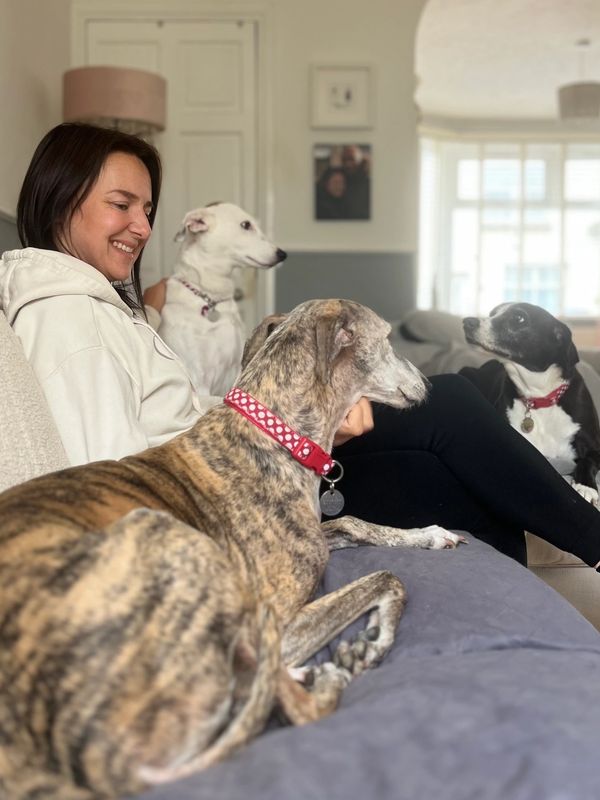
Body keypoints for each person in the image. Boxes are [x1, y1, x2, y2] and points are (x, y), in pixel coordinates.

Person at [2, 122, 600, 574]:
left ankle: (531, 604)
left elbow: (174, 419)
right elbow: (107, 487)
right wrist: (287, 432)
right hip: (236, 498)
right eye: (121, 205)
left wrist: (302, 417)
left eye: (147, 209)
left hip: (248, 467)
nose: (142, 226)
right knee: (449, 403)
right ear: (62, 196)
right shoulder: (66, 316)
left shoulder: (100, 306)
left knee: (452, 451)